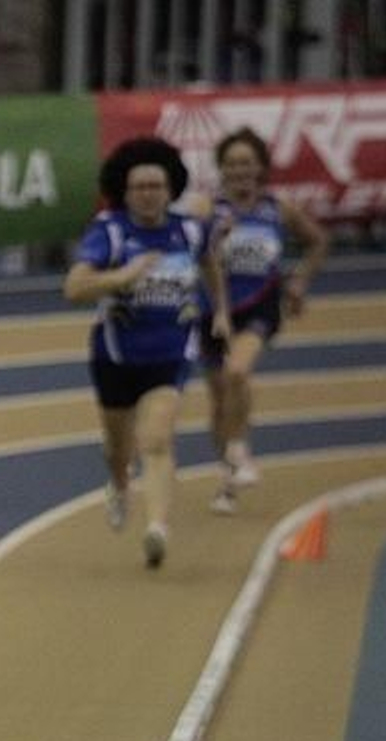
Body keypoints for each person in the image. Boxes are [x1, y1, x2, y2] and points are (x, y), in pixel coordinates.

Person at [63, 137, 229, 569]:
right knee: (119, 449)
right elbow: (75, 287)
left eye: (156, 186)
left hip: (170, 355)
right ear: (125, 190)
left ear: (170, 187)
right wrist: (123, 277)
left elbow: (210, 263)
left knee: (156, 440)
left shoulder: (189, 230)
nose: (149, 194)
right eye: (140, 187)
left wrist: (221, 311)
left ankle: (157, 527)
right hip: (116, 357)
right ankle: (119, 484)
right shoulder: (111, 231)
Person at [200, 127, 329, 514]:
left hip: (260, 305)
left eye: (247, 163)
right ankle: (227, 480)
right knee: (220, 398)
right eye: (232, 163)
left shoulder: (278, 207)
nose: (240, 170)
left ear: (260, 167)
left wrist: (300, 282)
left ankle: (240, 452)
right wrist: (210, 240)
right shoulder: (208, 209)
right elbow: (188, 248)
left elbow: (318, 241)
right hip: (212, 310)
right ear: (221, 169)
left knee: (238, 372)